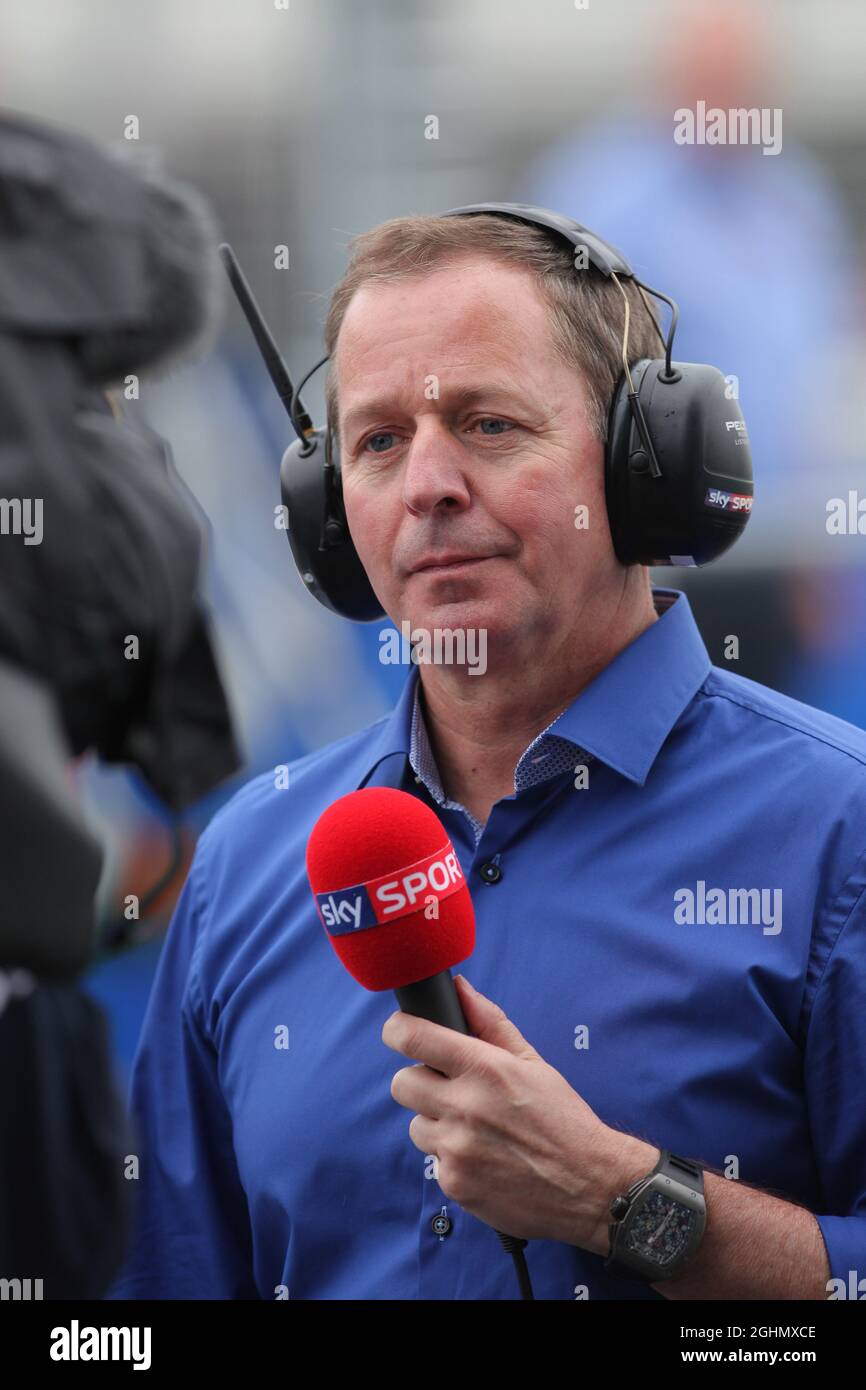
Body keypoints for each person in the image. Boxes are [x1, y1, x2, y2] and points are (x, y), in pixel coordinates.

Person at [107, 211, 866, 1301]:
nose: (426, 485)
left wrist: (624, 1198)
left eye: (487, 424)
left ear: (640, 465)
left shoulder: (836, 832)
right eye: (375, 441)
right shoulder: (246, 868)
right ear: (327, 517)